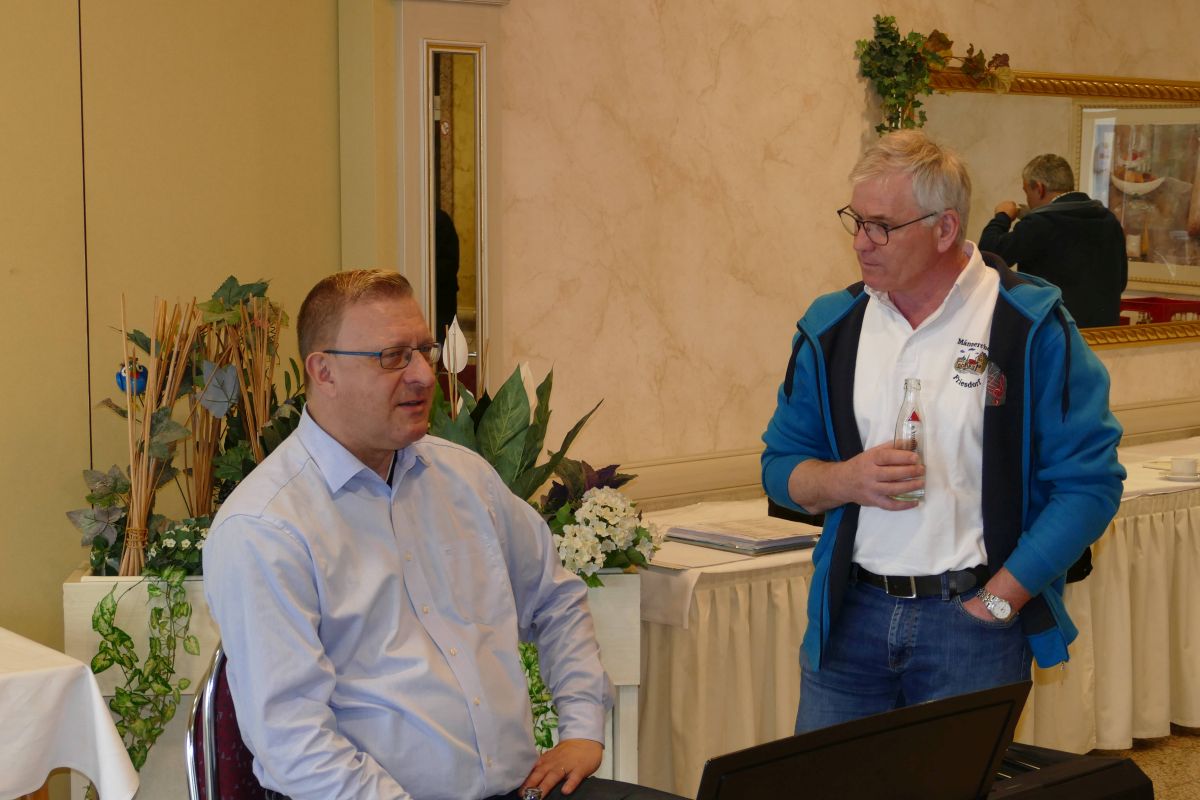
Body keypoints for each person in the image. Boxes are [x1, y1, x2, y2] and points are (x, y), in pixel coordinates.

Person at [203, 270, 682, 800]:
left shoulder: (464, 478)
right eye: (393, 357)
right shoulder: (265, 528)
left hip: (518, 789)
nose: (423, 376)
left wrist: (583, 728)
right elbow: (294, 744)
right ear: (324, 371)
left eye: (424, 351)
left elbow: (554, 599)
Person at [761, 131, 1125, 733]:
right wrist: (845, 479)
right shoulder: (832, 326)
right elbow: (779, 468)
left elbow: (1090, 486)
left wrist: (1001, 600)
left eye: (882, 226)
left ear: (945, 228)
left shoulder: (1028, 324)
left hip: (971, 627)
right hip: (850, 622)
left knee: (952, 780)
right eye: (856, 220)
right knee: (826, 779)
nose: (860, 241)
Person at [979, 153, 1128, 327]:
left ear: (1039, 188)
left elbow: (989, 253)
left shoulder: (1041, 223)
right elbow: (1121, 282)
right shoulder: (1109, 221)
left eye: (1027, 192)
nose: (1028, 199)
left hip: (1059, 332)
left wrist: (1002, 216)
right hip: (1105, 334)